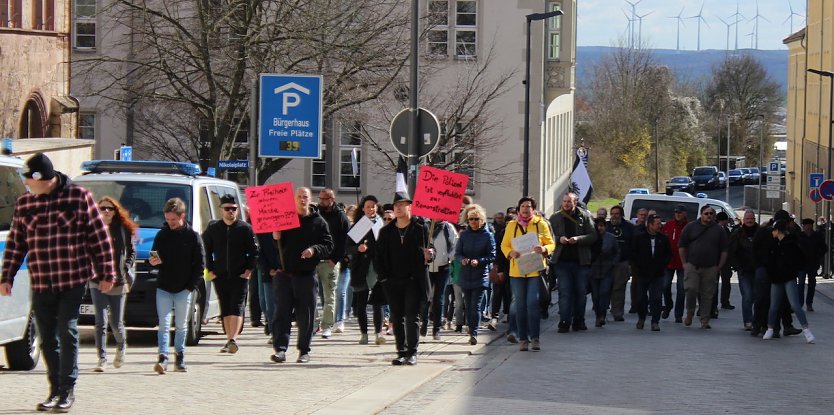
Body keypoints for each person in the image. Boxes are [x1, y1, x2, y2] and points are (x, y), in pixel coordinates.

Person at [1, 153, 116, 412]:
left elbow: (99, 238)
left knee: (67, 330)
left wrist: (107, 273)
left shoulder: (79, 198)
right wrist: (6, 276)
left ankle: (68, 389)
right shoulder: (25, 204)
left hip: (72, 278)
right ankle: (54, 388)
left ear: (42, 178)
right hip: (41, 280)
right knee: (46, 339)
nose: (26, 183)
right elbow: (16, 245)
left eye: (28, 179)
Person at [270, 187, 334, 364]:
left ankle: (304, 350)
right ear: (293, 199)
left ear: (310, 199)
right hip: (284, 275)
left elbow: (328, 245)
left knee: (306, 315)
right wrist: (275, 238)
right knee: (281, 313)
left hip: (306, 276)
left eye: (305, 196)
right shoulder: (284, 220)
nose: (302, 200)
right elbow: (272, 247)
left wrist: (314, 250)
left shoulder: (318, 222)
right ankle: (280, 349)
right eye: (298, 197)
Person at [375, 192, 434, 366]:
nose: (398, 208)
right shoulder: (386, 231)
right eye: (396, 205)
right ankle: (401, 351)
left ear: (410, 207)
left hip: (413, 280)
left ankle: (412, 352)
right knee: (396, 316)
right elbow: (378, 257)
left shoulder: (421, 227)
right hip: (392, 280)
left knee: (411, 316)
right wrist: (383, 278)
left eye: (402, 204)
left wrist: (429, 255)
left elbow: (430, 250)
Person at [148, 197, 205, 374]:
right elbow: (155, 256)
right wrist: (154, 261)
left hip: (184, 288)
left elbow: (200, 264)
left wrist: (190, 286)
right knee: (164, 324)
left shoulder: (193, 236)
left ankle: (179, 355)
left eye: (174, 219)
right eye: (167, 220)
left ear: (182, 216)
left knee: (181, 325)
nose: (170, 223)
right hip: (164, 286)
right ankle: (162, 357)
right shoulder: (162, 235)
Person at [202, 194, 258, 353]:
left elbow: (254, 251)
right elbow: (205, 250)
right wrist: (210, 269)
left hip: (239, 275)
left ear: (238, 210)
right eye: (227, 209)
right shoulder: (213, 228)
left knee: (237, 306)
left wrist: (249, 270)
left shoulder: (245, 228)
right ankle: (229, 339)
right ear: (221, 210)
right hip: (219, 275)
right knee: (225, 307)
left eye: (233, 209)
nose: (230, 212)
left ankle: (233, 338)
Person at [501, 197, 555, 351]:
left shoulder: (540, 224)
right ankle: (523, 338)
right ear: (518, 209)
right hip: (517, 271)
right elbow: (504, 245)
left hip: (534, 270)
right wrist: (510, 252)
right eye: (523, 206)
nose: (525, 209)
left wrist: (544, 249)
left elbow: (551, 243)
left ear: (533, 209)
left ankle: (535, 337)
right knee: (520, 305)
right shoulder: (512, 225)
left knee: (532, 303)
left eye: (528, 206)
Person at [91, 197, 137, 372]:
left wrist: (125, 266)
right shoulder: (93, 229)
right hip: (96, 281)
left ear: (116, 211)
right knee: (100, 321)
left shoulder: (122, 229)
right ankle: (102, 358)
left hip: (118, 281)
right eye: (102, 208)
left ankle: (121, 347)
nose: (106, 211)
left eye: (110, 209)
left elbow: (131, 251)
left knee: (116, 323)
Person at [549, 192, 597, 333]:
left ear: (575, 202)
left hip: (581, 262)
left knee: (580, 293)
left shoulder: (585, 216)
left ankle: (579, 320)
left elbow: (593, 236)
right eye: (564, 201)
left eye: (569, 202)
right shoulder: (555, 217)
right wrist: (559, 239)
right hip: (562, 262)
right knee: (564, 292)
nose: (566, 204)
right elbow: (547, 236)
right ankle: (564, 321)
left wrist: (578, 239)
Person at [762, 220, 816, 343]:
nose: (772, 233)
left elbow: (801, 259)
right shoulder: (773, 244)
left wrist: (793, 271)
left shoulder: (791, 244)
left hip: (788, 278)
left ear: (778, 231)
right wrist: (771, 273)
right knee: (774, 306)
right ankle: (770, 329)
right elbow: (768, 261)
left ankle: (806, 330)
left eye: (773, 230)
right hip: (776, 278)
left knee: (795, 305)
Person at [677, 205, 728, 329]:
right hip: (693, 265)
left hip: (710, 267)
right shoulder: (691, 227)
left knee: (707, 294)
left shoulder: (719, 230)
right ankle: (689, 313)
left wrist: (719, 266)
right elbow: (682, 245)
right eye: (706, 213)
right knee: (691, 289)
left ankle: (705, 319)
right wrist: (684, 263)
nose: (709, 216)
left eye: (711, 213)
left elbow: (724, 250)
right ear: (701, 214)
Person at [346, 195, 388, 345]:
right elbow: (348, 247)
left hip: (378, 268)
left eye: (374, 206)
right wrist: (358, 248)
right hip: (361, 268)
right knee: (361, 303)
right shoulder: (360, 225)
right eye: (368, 206)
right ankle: (364, 333)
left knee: (378, 302)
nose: (372, 209)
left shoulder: (381, 224)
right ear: (363, 208)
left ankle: (378, 333)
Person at [455, 204, 496, 345]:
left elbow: (492, 255)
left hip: (480, 275)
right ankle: (471, 327)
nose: (473, 222)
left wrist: (479, 261)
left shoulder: (488, 236)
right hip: (465, 275)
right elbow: (457, 254)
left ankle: (474, 332)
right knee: (468, 304)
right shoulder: (464, 235)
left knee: (476, 305)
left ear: (482, 220)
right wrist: (463, 260)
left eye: (476, 219)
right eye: (471, 219)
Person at [314, 189, 349, 338]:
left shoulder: (341, 217)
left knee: (329, 295)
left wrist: (335, 259)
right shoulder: (315, 214)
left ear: (332, 199)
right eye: (320, 198)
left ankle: (327, 325)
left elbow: (344, 241)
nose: (321, 201)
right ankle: (315, 324)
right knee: (311, 295)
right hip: (315, 259)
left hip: (330, 262)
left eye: (324, 199)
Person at [630, 214, 671, 331]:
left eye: (660, 223)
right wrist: (638, 266)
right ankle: (641, 318)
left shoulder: (663, 238)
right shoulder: (639, 238)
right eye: (657, 224)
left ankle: (655, 321)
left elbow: (668, 254)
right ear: (650, 225)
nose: (660, 226)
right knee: (641, 298)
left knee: (656, 298)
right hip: (642, 273)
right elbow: (633, 253)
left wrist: (662, 265)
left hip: (657, 274)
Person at [424, 217, 457, 340]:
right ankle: (424, 323)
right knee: (425, 297)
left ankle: (436, 329)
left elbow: (455, 244)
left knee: (439, 299)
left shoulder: (447, 227)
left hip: (443, 267)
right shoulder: (424, 226)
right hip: (426, 267)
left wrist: (449, 257)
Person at [728, 210, 759, 330]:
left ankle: (757, 320)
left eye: (752, 218)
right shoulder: (738, 233)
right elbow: (732, 251)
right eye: (747, 219)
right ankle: (748, 321)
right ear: (743, 220)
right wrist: (736, 265)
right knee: (747, 296)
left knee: (756, 296)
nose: (750, 221)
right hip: (744, 270)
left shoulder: (761, 232)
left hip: (758, 269)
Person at [607, 205, 635, 321]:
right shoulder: (606, 226)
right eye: (612, 214)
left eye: (616, 214)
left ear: (621, 214)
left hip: (623, 262)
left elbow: (634, 246)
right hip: (606, 263)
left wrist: (631, 263)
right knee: (606, 288)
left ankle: (618, 312)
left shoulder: (630, 227)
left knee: (619, 288)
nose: (614, 216)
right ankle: (602, 312)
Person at [589, 217, 619, 327]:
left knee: (604, 293)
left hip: (607, 270)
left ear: (605, 227)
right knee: (596, 296)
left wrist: (613, 262)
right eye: (598, 226)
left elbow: (617, 252)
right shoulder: (591, 238)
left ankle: (603, 315)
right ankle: (598, 315)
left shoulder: (611, 238)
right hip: (593, 270)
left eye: (602, 226)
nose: (600, 228)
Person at [662, 204, 688, 322]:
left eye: (680, 212)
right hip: (668, 261)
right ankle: (668, 305)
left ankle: (678, 314)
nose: (678, 214)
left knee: (681, 289)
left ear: (685, 213)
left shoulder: (689, 226)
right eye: (676, 212)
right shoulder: (669, 225)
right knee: (665, 285)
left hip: (683, 262)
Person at [797, 218, 826, 312]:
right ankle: (800, 303)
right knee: (800, 284)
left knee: (811, 284)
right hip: (801, 264)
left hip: (813, 264)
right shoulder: (799, 236)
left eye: (810, 225)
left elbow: (824, 248)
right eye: (806, 225)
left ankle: (809, 303)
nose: (808, 227)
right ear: (803, 226)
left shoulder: (817, 236)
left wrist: (818, 256)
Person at [711, 211, 735, 316]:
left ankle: (721, 303)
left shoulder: (718, 229)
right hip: (720, 260)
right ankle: (722, 302)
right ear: (724, 220)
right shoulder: (719, 230)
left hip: (721, 260)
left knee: (721, 282)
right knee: (720, 283)